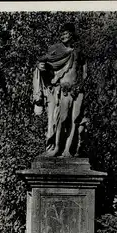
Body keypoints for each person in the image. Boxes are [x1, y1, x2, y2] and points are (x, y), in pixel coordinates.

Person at [32, 23, 87, 157]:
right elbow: (42, 60)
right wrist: (39, 65)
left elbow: (85, 69)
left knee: (75, 120)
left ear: (72, 35)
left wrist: (82, 82)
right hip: (64, 89)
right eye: (61, 34)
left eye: (66, 33)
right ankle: (57, 147)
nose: (63, 36)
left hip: (77, 90)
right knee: (62, 119)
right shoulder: (57, 51)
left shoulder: (78, 52)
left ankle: (68, 150)